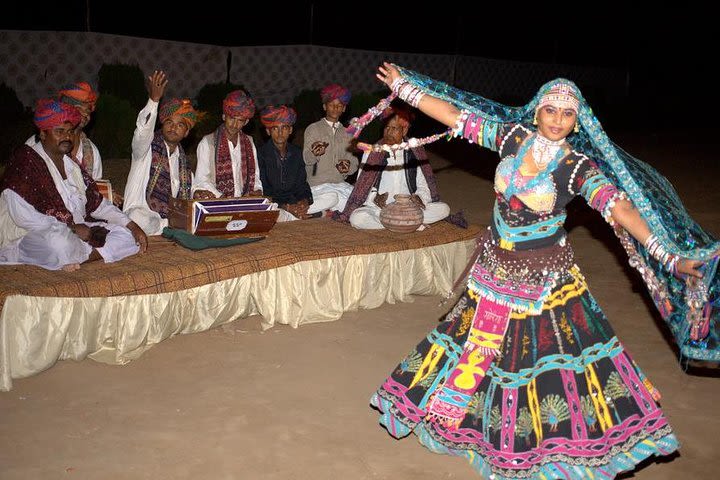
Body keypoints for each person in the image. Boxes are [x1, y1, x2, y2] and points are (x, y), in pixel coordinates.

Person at [367, 63, 718, 479]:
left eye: (567, 114)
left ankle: (541, 445)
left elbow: (620, 209)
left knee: (538, 359)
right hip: (496, 266)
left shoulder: (578, 167)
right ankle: (465, 422)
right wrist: (405, 88)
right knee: (477, 346)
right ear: (536, 112)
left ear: (576, 121)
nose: (557, 120)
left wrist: (668, 255)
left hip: (543, 276)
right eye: (551, 111)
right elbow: (455, 117)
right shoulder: (511, 137)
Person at [0, 99, 146, 271]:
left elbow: (98, 204)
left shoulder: (71, 165)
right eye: (59, 131)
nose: (67, 137)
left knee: (126, 235)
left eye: (69, 132)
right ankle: (79, 255)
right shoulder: (25, 162)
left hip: (78, 231)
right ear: (43, 133)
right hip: (31, 236)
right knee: (59, 244)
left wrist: (132, 225)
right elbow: (23, 217)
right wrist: (71, 229)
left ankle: (81, 260)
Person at [334, 104, 449, 229]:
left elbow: (423, 185)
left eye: (394, 128)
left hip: (408, 208)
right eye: (386, 128)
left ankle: (395, 223)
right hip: (381, 209)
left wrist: (419, 198)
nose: (389, 132)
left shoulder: (415, 151)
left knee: (443, 209)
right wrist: (374, 197)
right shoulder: (372, 152)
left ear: (404, 130)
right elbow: (362, 184)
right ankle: (407, 223)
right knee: (357, 218)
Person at [123, 70, 197, 236]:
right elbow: (142, 131)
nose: (173, 127)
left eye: (180, 125)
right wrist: (154, 100)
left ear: (186, 133)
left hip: (168, 219)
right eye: (169, 122)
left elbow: (190, 196)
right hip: (141, 215)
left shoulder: (184, 165)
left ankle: (171, 226)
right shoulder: (145, 148)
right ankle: (171, 227)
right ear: (162, 124)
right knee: (137, 217)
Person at [257, 105, 336, 220]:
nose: (280, 133)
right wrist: (286, 207)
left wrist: (304, 201)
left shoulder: (297, 153)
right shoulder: (261, 154)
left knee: (333, 197)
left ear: (290, 130)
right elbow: (265, 191)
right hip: (276, 205)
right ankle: (306, 215)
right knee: (269, 210)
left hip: (294, 202)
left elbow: (302, 184)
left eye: (284, 128)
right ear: (268, 131)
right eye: (275, 128)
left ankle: (297, 215)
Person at [25, 81, 103, 180]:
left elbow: (97, 188)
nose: (85, 114)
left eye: (87, 110)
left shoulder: (92, 151)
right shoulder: (35, 145)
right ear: (65, 111)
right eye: (78, 109)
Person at [193, 89, 262, 200]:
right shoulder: (207, 143)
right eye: (231, 118)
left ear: (246, 122)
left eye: (240, 121)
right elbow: (202, 181)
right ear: (224, 116)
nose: (234, 125)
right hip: (218, 202)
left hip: (245, 202)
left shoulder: (249, 143)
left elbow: (256, 178)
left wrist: (257, 190)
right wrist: (223, 198)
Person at [302, 83, 358, 212]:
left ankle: (324, 212)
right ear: (324, 106)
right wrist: (314, 153)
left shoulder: (348, 133)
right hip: (318, 186)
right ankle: (304, 210)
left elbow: (354, 163)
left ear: (344, 108)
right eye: (332, 105)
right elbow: (306, 159)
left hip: (339, 184)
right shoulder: (313, 129)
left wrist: (347, 167)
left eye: (339, 106)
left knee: (357, 200)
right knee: (333, 199)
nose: (335, 108)